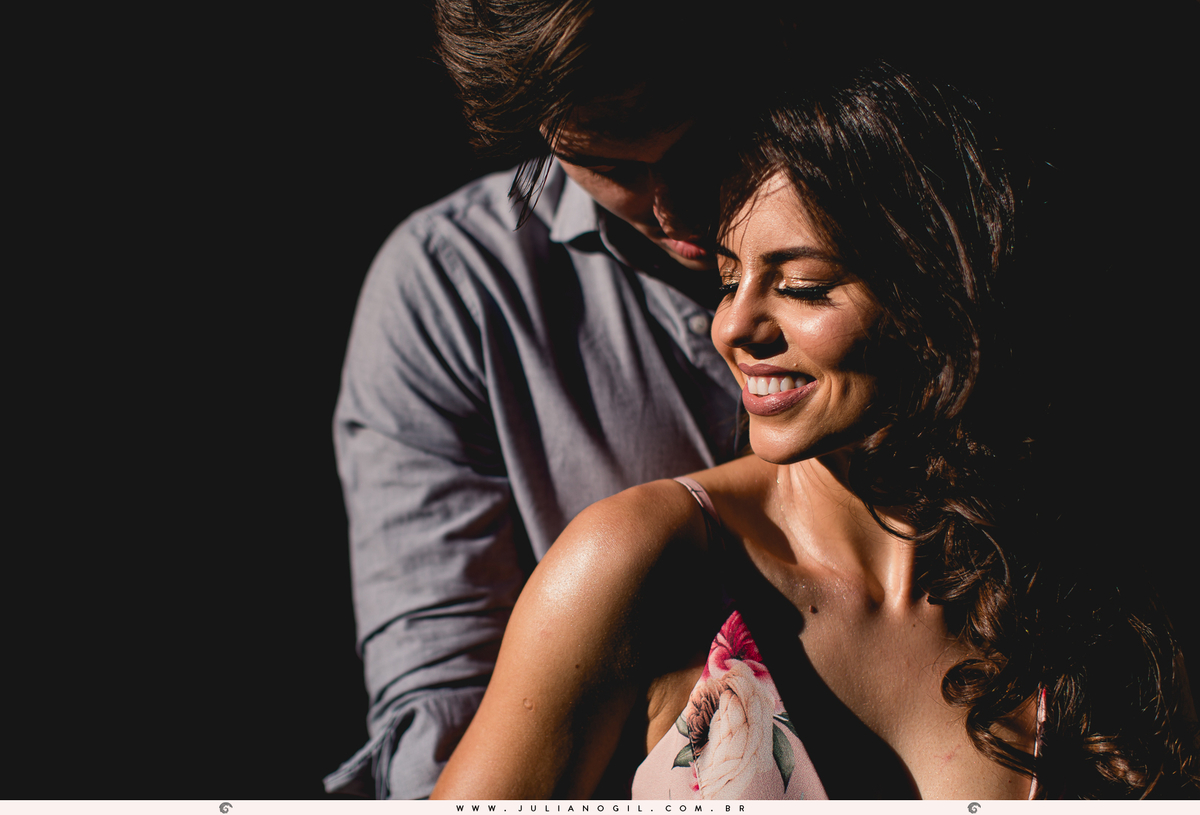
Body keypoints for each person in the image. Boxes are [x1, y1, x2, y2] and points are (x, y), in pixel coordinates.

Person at [429, 61, 1200, 799]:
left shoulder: (1087, 581)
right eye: (729, 278)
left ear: (944, 289)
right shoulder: (637, 563)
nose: (733, 324)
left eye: (800, 286)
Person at [324, 1, 750, 798]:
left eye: (702, 142)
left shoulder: (915, 234)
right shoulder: (450, 290)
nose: (678, 209)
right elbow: (444, 713)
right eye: (615, 168)